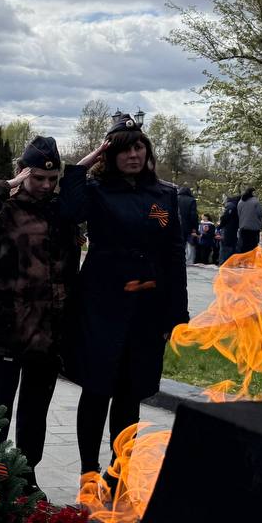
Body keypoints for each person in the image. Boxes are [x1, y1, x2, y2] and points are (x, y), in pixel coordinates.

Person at [58, 113, 189, 481]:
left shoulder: (164, 195)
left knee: (131, 394)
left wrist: (176, 313)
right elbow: (69, 210)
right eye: (124, 149)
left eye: (139, 147)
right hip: (102, 306)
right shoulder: (97, 191)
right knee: (97, 389)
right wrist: (85, 162)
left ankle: (119, 473)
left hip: (146, 310)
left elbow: (173, 254)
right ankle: (88, 472)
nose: (133, 155)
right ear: (110, 156)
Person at [0, 136, 80, 491]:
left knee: (35, 412)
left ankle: (26, 476)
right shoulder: (5, 208)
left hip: (49, 333)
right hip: (7, 328)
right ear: (21, 172)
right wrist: (4, 187)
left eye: (52, 179)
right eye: (38, 178)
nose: (46, 185)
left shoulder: (61, 212)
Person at [237, 188, 262, 253]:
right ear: (252, 193)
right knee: (253, 249)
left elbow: (239, 214)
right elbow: (261, 213)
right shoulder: (255, 202)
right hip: (253, 229)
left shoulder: (240, 202)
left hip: (243, 229)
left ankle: (244, 259)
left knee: (244, 248)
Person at [178, 186, 199, 265]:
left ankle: (177, 260)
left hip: (175, 225)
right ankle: (186, 261)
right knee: (187, 243)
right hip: (187, 226)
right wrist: (195, 227)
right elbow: (193, 215)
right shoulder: (191, 200)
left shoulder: (175, 198)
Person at [218, 194, 240, 264]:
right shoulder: (233, 206)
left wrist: (220, 226)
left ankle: (224, 263)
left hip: (228, 230)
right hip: (230, 230)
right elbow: (226, 217)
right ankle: (226, 263)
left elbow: (224, 217)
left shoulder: (231, 205)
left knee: (226, 247)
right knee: (229, 247)